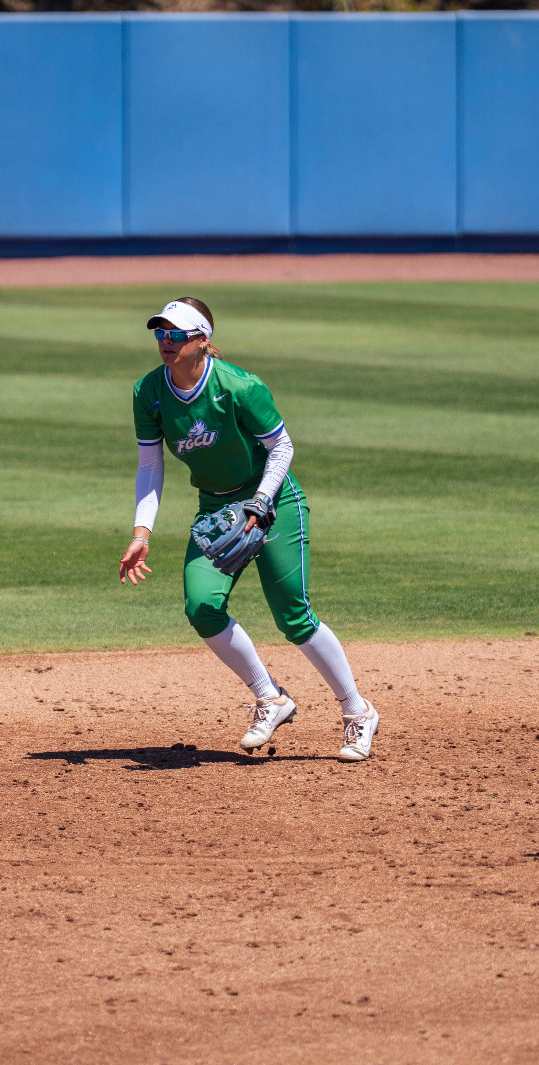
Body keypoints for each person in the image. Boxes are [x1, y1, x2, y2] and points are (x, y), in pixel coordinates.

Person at [117, 298, 382, 761]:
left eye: (176, 334)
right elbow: (149, 465)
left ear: (201, 340)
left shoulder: (239, 386)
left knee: (292, 616)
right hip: (216, 510)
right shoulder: (148, 392)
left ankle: (358, 713)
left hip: (273, 500)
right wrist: (142, 533)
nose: (166, 342)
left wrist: (260, 502)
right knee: (201, 606)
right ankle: (271, 698)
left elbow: (282, 448)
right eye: (160, 333)